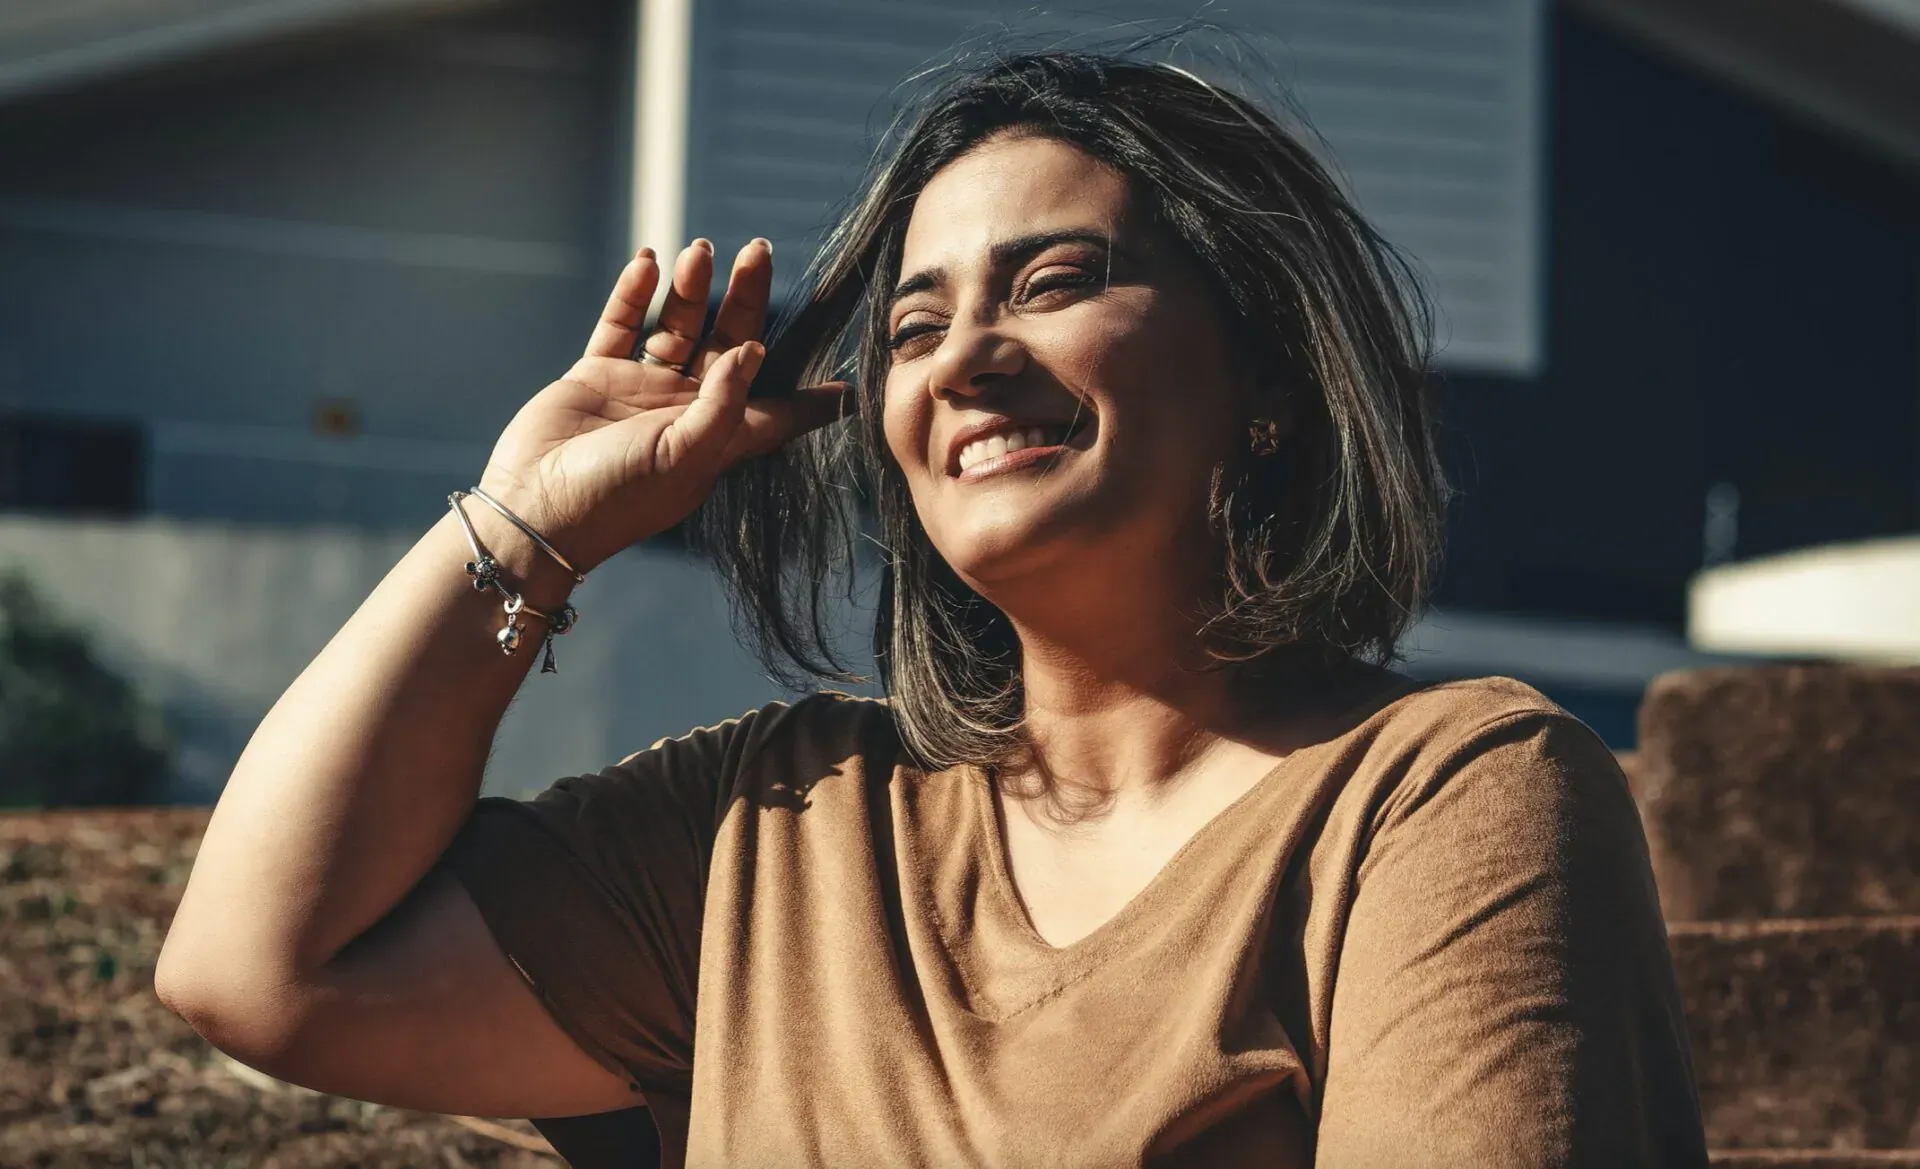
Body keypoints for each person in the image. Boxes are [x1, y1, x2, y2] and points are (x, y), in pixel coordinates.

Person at [157, 50, 1708, 1168]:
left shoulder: (1442, 800)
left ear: (1272, 386)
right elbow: (264, 970)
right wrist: (528, 525)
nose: (967, 355)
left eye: (1050, 284)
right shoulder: (776, 824)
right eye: (917, 321)